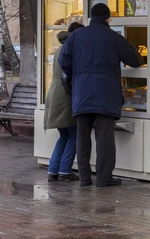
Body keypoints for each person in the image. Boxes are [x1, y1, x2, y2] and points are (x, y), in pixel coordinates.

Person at [59, 3, 144, 187]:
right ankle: (104, 178)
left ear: (90, 17)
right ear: (108, 19)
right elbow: (135, 59)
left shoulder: (75, 37)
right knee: (104, 137)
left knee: (82, 137)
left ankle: (84, 178)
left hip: (81, 93)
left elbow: (63, 61)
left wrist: (76, 78)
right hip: (105, 93)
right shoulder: (113, 37)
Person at [44, 21, 85, 182]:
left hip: (55, 92)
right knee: (74, 133)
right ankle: (65, 170)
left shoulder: (61, 47)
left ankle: (53, 170)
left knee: (64, 135)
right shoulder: (72, 48)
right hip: (66, 94)